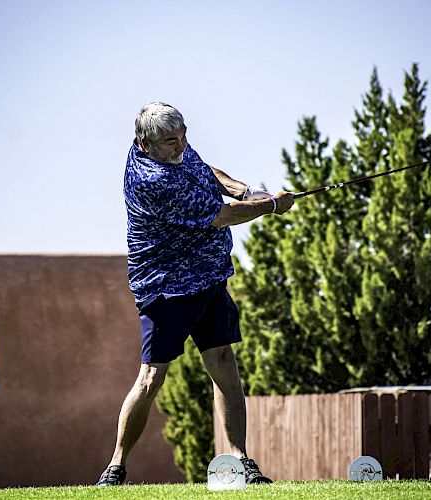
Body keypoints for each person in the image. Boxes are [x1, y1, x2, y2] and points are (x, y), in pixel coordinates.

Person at [97, 103, 294, 486]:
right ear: (146, 143)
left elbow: (204, 170)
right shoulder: (152, 179)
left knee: (223, 361)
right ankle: (116, 466)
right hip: (166, 285)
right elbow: (221, 215)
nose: (181, 144)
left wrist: (243, 187)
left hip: (208, 277)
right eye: (172, 140)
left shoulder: (172, 147)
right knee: (152, 376)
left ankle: (240, 460)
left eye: (184, 134)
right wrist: (270, 205)